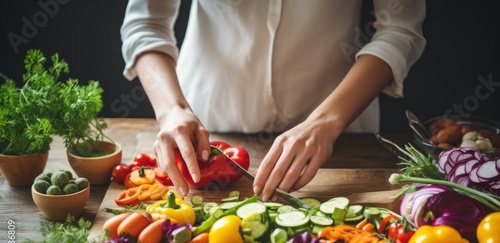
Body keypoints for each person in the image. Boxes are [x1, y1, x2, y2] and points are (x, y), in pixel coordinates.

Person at [120, 0, 426, 202]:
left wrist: (326, 122)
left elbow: (400, 29)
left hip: (341, 129)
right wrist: (172, 109)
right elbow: (146, 24)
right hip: (205, 118)